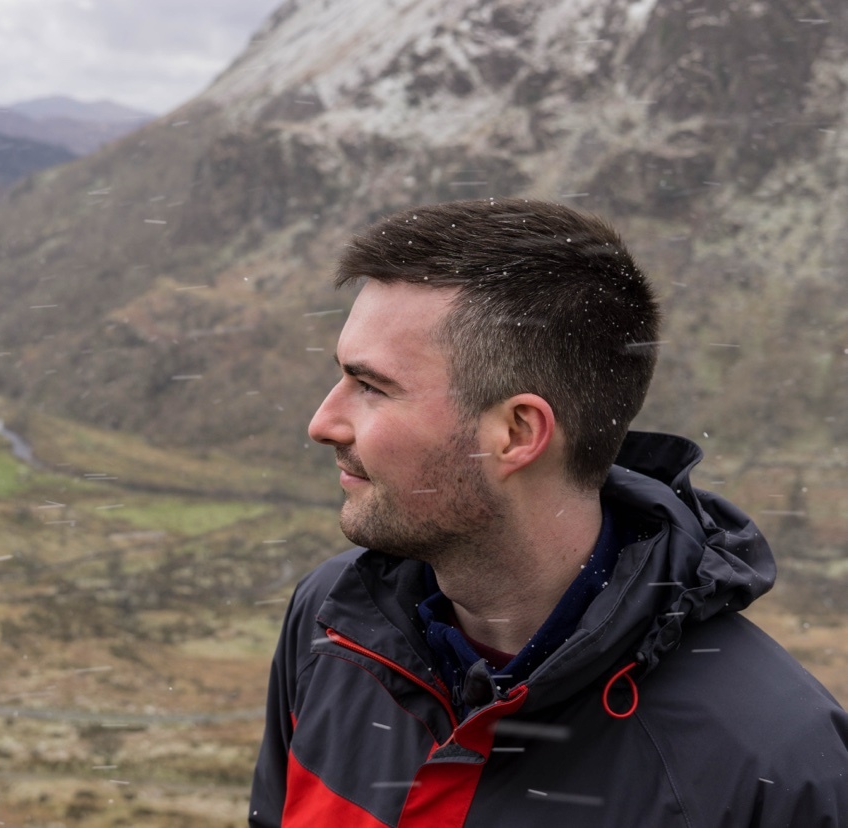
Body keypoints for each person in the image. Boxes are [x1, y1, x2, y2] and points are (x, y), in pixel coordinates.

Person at [249, 198, 848, 827]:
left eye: (370, 386)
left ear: (516, 433)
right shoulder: (333, 622)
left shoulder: (777, 768)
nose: (322, 422)